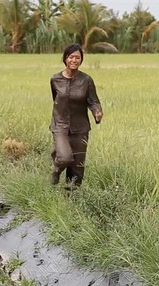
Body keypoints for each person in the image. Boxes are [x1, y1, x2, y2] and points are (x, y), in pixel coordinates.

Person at [49, 43, 103, 190]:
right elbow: (56, 99)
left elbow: (93, 101)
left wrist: (97, 112)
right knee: (65, 157)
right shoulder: (55, 79)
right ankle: (56, 169)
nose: (74, 60)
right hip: (60, 125)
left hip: (80, 127)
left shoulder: (86, 80)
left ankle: (71, 197)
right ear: (65, 58)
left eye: (77, 58)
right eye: (71, 57)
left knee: (77, 167)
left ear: (81, 60)